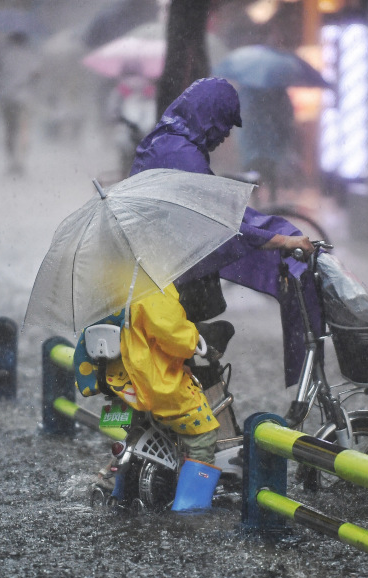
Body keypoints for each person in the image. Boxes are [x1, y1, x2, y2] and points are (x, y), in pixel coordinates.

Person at [129, 77, 317, 387]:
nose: (226, 135)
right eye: (224, 125)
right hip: (163, 273)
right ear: (209, 118)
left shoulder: (167, 142)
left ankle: (192, 356)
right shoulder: (181, 154)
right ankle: (195, 350)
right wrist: (280, 239)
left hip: (154, 266)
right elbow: (218, 223)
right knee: (182, 353)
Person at [75, 285, 222, 512]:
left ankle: (121, 494)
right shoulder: (149, 287)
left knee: (138, 430)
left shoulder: (106, 287)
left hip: (118, 380)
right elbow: (173, 334)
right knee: (202, 436)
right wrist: (194, 339)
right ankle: (190, 510)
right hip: (150, 383)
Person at [236, 85, 298, 205]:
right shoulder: (278, 92)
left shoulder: (247, 91)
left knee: (255, 171)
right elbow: (287, 116)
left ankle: (258, 201)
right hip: (269, 141)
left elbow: (240, 114)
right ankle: (269, 201)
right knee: (269, 172)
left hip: (255, 142)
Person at [0, 31, 43, 176]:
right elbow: (37, 73)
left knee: (9, 130)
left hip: (6, 97)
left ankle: (11, 161)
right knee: (23, 130)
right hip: (23, 97)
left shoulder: (3, 55)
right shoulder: (29, 54)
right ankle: (20, 161)